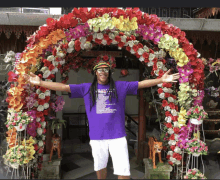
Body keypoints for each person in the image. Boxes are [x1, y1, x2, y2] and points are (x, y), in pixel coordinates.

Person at [24, 60, 179, 179]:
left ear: (109, 72)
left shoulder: (120, 87)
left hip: (118, 137)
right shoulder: (87, 88)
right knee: (100, 167)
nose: (103, 72)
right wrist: (40, 83)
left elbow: (140, 84)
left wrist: (161, 80)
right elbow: (64, 87)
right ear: (95, 73)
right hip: (97, 137)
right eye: (100, 69)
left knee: (123, 169)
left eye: (105, 69)